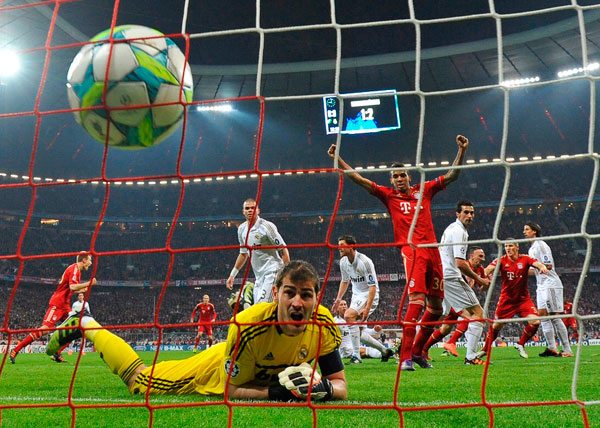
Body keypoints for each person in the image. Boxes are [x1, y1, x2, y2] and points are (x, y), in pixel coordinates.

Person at [46, 260, 348, 401]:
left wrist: (324, 389)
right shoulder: (249, 326)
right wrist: (278, 393)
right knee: (139, 382)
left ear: (316, 298)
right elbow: (231, 390)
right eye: (290, 292)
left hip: (246, 366)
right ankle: (86, 324)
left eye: (306, 295)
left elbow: (340, 385)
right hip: (214, 369)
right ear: (275, 293)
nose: (297, 302)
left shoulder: (324, 326)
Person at [327, 134, 469, 371]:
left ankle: (417, 352)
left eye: (403, 175)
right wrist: (338, 159)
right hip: (412, 251)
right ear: (391, 180)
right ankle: (405, 358)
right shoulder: (388, 195)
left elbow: (452, 175)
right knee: (416, 301)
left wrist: (461, 151)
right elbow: (359, 179)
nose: (400, 179)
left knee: (436, 308)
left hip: (433, 251)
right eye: (395, 176)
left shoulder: (424, 190)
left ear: (409, 177)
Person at [10, 252, 96, 364]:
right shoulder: (74, 269)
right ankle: (16, 350)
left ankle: (57, 353)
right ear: (84, 260)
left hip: (65, 305)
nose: (90, 263)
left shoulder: (77, 271)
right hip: (57, 304)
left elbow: (70, 289)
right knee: (45, 329)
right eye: (89, 260)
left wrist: (81, 290)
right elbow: (72, 287)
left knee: (76, 328)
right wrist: (89, 283)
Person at [479, 241, 549, 359]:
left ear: (517, 247)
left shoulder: (525, 258)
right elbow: (488, 269)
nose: (508, 248)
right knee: (496, 326)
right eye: (506, 246)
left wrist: (542, 267)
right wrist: (483, 275)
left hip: (523, 300)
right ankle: (485, 350)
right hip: (506, 300)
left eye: (511, 245)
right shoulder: (501, 260)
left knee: (536, 322)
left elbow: (537, 264)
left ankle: (520, 344)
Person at [331, 235, 388, 363]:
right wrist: (338, 299)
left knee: (348, 315)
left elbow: (372, 287)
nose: (339, 248)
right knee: (359, 332)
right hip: (356, 295)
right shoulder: (343, 262)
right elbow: (345, 281)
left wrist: (367, 308)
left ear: (351, 246)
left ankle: (356, 356)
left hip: (369, 294)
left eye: (342, 245)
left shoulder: (365, 262)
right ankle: (384, 351)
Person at [226, 198, 290, 305]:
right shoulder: (241, 229)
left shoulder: (267, 227)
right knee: (260, 308)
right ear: (243, 211)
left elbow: (283, 250)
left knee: (262, 306)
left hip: (273, 271)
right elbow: (243, 254)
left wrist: (287, 274)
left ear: (258, 210)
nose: (250, 210)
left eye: (253, 208)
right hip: (259, 277)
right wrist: (232, 275)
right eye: (247, 208)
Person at [523, 222, 573, 357]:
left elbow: (548, 265)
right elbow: (534, 270)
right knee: (543, 316)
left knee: (554, 316)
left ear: (534, 231)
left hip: (550, 284)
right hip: (541, 285)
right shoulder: (532, 248)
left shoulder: (541, 245)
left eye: (527, 229)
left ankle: (567, 350)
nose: (524, 232)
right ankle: (552, 348)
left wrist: (532, 268)